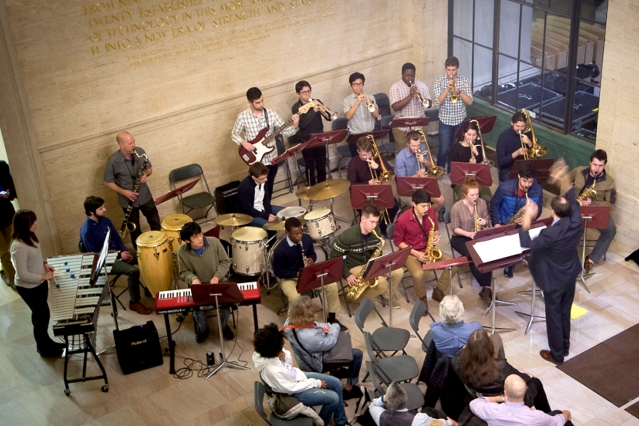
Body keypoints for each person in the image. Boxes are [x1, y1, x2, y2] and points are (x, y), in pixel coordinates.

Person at [519, 159, 582, 364]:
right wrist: (563, 177)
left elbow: (527, 242)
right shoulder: (575, 222)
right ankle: (564, 345)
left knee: (554, 314)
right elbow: (572, 199)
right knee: (565, 311)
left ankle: (557, 354)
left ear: (553, 212)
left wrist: (527, 218)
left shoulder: (549, 233)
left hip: (554, 280)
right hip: (570, 274)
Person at [253, 323, 349, 426]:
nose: (282, 349)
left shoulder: (270, 352)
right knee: (333, 399)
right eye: (280, 348)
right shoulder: (271, 370)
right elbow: (291, 388)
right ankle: (322, 424)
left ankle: (341, 421)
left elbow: (288, 366)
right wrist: (315, 383)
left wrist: (285, 356)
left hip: (296, 377)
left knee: (336, 382)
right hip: (291, 393)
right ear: (273, 351)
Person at [80, 196, 152, 315]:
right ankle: (134, 302)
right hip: (104, 261)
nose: (105, 209)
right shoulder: (86, 231)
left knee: (145, 255)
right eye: (101, 208)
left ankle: (149, 288)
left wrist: (123, 251)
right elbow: (97, 255)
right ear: (92, 212)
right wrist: (119, 256)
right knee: (133, 271)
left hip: (118, 253)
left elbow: (117, 238)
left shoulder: (105, 220)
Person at [282, 296, 363, 400]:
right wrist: (335, 326)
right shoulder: (309, 336)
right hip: (317, 364)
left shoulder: (289, 322)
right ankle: (349, 389)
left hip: (307, 358)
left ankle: (337, 370)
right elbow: (329, 342)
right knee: (357, 354)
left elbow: (315, 325)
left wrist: (327, 326)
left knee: (339, 342)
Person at [453, 329, 552, 413]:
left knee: (496, 337)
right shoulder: (501, 367)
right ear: (489, 347)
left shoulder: (456, 360)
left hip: (478, 393)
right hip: (503, 399)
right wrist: (526, 376)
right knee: (536, 382)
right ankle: (548, 415)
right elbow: (518, 379)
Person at [10, 210, 66, 357]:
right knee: (43, 316)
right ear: (23, 225)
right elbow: (22, 273)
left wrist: (44, 264)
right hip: (28, 288)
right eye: (32, 221)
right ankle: (43, 347)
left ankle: (46, 341)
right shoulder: (18, 246)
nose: (36, 223)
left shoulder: (30, 237)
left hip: (38, 284)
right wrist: (43, 276)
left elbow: (32, 260)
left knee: (40, 315)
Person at [273, 217, 345, 327]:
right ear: (287, 233)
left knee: (332, 285)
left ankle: (332, 318)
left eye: (300, 232)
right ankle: (293, 322)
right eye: (295, 234)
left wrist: (312, 259)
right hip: (289, 278)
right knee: (294, 297)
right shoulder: (280, 250)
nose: (299, 236)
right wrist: (296, 274)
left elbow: (312, 253)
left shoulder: (306, 239)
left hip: (307, 273)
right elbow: (278, 271)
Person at [231, 87, 300, 195]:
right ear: (249, 102)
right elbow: (234, 134)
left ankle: (267, 209)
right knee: (258, 191)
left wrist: (295, 125)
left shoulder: (271, 114)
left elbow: (285, 132)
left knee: (269, 188)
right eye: (258, 102)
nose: (261, 104)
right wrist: (244, 143)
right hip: (256, 160)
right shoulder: (242, 117)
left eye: (262, 100)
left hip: (272, 158)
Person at [330, 205, 402, 308]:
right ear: (363, 219)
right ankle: (357, 300)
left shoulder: (376, 231)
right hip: (353, 266)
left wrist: (377, 263)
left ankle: (386, 297)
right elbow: (334, 257)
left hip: (370, 263)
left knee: (398, 272)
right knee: (382, 284)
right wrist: (347, 274)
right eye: (371, 222)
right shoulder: (348, 236)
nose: (374, 226)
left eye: (376, 222)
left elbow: (377, 249)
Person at [393, 189, 454, 304]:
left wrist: (436, 236)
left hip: (428, 248)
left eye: (428, 205)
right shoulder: (402, 220)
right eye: (423, 206)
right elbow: (398, 241)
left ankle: (439, 290)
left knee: (453, 264)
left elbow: (435, 229)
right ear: (413, 204)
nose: (426, 209)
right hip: (410, 252)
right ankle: (422, 298)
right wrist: (416, 253)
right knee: (418, 274)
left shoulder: (430, 212)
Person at [177, 222, 233, 343]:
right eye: (195, 237)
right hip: (200, 287)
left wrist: (217, 277)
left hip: (218, 283)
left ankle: (224, 327)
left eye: (200, 234)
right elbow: (182, 272)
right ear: (187, 240)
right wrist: (193, 278)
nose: (200, 238)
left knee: (225, 307)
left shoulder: (214, 242)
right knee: (198, 312)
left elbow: (226, 262)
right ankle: (203, 330)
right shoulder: (181, 252)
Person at [103, 131, 161, 247]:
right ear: (121, 145)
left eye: (133, 141)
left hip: (145, 196)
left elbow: (149, 169)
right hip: (128, 201)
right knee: (135, 230)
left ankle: (159, 246)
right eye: (130, 143)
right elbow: (107, 182)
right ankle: (141, 254)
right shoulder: (113, 161)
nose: (134, 145)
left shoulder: (140, 152)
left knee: (155, 222)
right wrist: (124, 192)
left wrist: (146, 174)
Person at [490, 161, 543, 278]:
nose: (527, 185)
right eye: (524, 181)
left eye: (530, 181)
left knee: (528, 244)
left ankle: (514, 262)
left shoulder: (537, 190)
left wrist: (529, 216)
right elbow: (494, 204)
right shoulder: (505, 187)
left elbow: (538, 211)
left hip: (523, 224)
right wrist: (496, 223)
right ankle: (508, 263)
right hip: (505, 222)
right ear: (518, 176)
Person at [568, 149, 616, 273]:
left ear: (604, 165)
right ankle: (570, 258)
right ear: (590, 162)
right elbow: (565, 181)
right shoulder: (579, 171)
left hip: (595, 212)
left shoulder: (609, 182)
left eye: (600, 166)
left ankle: (591, 259)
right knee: (576, 227)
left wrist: (592, 203)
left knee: (611, 229)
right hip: (577, 208)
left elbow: (611, 205)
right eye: (595, 165)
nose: (597, 168)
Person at [450, 178, 493, 302]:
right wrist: (468, 234)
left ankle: (486, 287)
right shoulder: (456, 207)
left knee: (487, 252)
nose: (475, 197)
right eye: (472, 195)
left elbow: (487, 219)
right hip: (461, 237)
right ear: (465, 194)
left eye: (477, 194)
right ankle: (484, 284)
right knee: (474, 254)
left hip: (477, 234)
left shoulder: (482, 203)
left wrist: (484, 221)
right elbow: (455, 228)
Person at [470, 374, 573, 426]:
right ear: (525, 393)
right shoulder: (536, 416)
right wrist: (566, 414)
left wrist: (499, 398)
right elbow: (558, 421)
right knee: (563, 418)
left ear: (505, 393)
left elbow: (474, 403)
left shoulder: (492, 411)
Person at [347, 136, 400, 234]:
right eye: (364, 155)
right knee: (369, 213)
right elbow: (351, 185)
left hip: (377, 192)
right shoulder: (353, 163)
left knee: (394, 205)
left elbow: (391, 172)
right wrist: (368, 183)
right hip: (361, 195)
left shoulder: (376, 157)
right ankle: (368, 231)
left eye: (369, 153)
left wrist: (378, 166)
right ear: (358, 151)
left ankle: (383, 230)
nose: (367, 157)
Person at [434, 56, 473, 173]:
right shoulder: (439, 81)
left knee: (456, 148)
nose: (451, 73)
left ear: (458, 68)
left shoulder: (464, 81)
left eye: (454, 70)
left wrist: (458, 91)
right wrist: (447, 89)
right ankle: (440, 170)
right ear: (445, 69)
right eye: (449, 70)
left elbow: (470, 102)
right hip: (445, 120)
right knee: (444, 149)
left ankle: (453, 171)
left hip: (460, 120)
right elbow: (438, 101)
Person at [291, 80, 332, 186]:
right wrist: (314, 110)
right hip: (306, 141)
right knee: (310, 167)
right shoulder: (296, 107)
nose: (307, 94)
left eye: (309, 91)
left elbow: (328, 118)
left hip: (319, 138)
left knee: (321, 165)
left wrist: (326, 110)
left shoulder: (316, 101)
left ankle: (322, 187)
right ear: (298, 93)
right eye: (304, 92)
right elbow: (303, 124)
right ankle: (312, 189)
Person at [394, 130, 445, 211]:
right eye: (413, 146)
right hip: (409, 189)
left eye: (418, 145)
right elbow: (402, 182)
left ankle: (429, 216)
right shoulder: (400, 158)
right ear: (408, 144)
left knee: (441, 200)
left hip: (424, 184)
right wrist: (417, 176)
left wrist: (424, 160)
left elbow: (432, 167)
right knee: (419, 206)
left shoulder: (423, 147)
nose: (416, 148)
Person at [389, 63, 432, 155]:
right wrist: (410, 96)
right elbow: (395, 107)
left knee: (421, 151)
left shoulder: (422, 85)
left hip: (419, 125)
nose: (410, 78)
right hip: (401, 127)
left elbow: (429, 104)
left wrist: (422, 98)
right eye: (407, 76)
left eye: (412, 75)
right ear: (402, 74)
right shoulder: (395, 87)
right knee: (402, 153)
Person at [369, 381, 457, 426]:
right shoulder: (420, 419)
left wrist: (385, 398)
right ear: (406, 399)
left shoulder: (381, 417)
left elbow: (372, 405)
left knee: (428, 410)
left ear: (388, 403)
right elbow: (441, 423)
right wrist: (450, 422)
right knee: (430, 410)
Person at [449, 120, 492, 205]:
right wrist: (469, 165)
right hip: (461, 181)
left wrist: (476, 154)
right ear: (463, 134)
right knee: (469, 201)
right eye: (469, 135)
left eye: (474, 135)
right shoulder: (455, 149)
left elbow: (483, 167)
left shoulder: (478, 146)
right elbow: (455, 171)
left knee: (487, 198)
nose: (471, 138)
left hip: (478, 178)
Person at [343, 72, 381, 157]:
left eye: (360, 84)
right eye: (355, 84)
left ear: (363, 84)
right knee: (358, 163)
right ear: (351, 85)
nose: (358, 87)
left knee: (373, 160)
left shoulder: (370, 97)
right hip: (355, 136)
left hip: (369, 135)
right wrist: (357, 102)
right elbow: (348, 116)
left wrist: (370, 103)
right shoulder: (347, 100)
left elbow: (376, 114)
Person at [238, 162, 284, 229]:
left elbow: (266, 199)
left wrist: (269, 213)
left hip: (262, 207)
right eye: (262, 178)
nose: (266, 180)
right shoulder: (245, 187)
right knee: (271, 227)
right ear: (253, 177)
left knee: (287, 213)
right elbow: (247, 210)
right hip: (251, 214)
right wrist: (266, 216)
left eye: (266, 177)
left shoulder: (263, 180)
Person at [496, 112, 533, 183]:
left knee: (535, 185)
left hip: (525, 168)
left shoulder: (527, 134)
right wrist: (517, 153)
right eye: (517, 126)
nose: (520, 129)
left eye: (523, 126)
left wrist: (529, 143)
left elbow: (534, 155)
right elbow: (501, 162)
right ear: (511, 123)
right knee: (511, 185)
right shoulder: (504, 136)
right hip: (508, 169)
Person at [0, 160, 17, 289]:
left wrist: (8, 192)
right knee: (4, 252)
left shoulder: (1, 166)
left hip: (6, 215)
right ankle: (13, 280)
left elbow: (10, 186)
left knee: (11, 248)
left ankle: (9, 273)